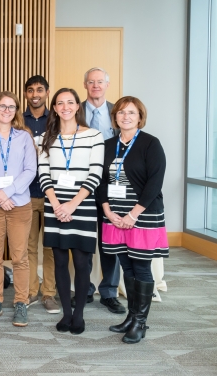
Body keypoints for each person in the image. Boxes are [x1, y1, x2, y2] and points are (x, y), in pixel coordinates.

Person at [98, 96, 168, 344]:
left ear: (140, 116)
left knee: (141, 267)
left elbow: (154, 183)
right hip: (115, 216)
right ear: (114, 117)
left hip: (142, 216)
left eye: (131, 112)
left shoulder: (151, 144)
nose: (125, 116)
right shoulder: (107, 145)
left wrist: (132, 214)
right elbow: (101, 181)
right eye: (120, 112)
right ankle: (131, 316)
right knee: (126, 267)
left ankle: (140, 322)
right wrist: (107, 211)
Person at [38, 88, 104, 335]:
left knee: (81, 261)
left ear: (78, 106)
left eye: (70, 102)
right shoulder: (47, 137)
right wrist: (57, 205)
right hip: (55, 205)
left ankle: (79, 315)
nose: (65, 107)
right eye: (59, 103)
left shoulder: (94, 136)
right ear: (54, 108)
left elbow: (95, 173)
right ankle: (66, 313)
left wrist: (72, 204)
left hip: (82, 204)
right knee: (60, 262)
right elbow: (44, 174)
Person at [0, 91, 36, 326]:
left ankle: (21, 303)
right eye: (2, 106)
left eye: (11, 107)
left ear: (16, 111)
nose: (6, 110)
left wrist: (8, 192)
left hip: (19, 204)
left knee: (20, 257)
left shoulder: (24, 137)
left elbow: (30, 170)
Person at [80, 67, 124, 314]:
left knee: (110, 242)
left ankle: (109, 292)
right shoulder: (75, 111)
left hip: (111, 184)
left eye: (100, 82)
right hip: (82, 185)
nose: (95, 85)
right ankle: (85, 290)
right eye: (91, 82)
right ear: (85, 85)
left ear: (107, 85)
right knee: (86, 241)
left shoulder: (118, 112)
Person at [23, 75, 59, 314]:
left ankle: (49, 293)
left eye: (40, 90)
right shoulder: (17, 119)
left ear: (47, 92)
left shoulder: (56, 120)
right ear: (25, 94)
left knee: (51, 247)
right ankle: (29, 291)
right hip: (25, 194)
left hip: (52, 193)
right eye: (30, 90)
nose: (35, 94)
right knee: (27, 246)